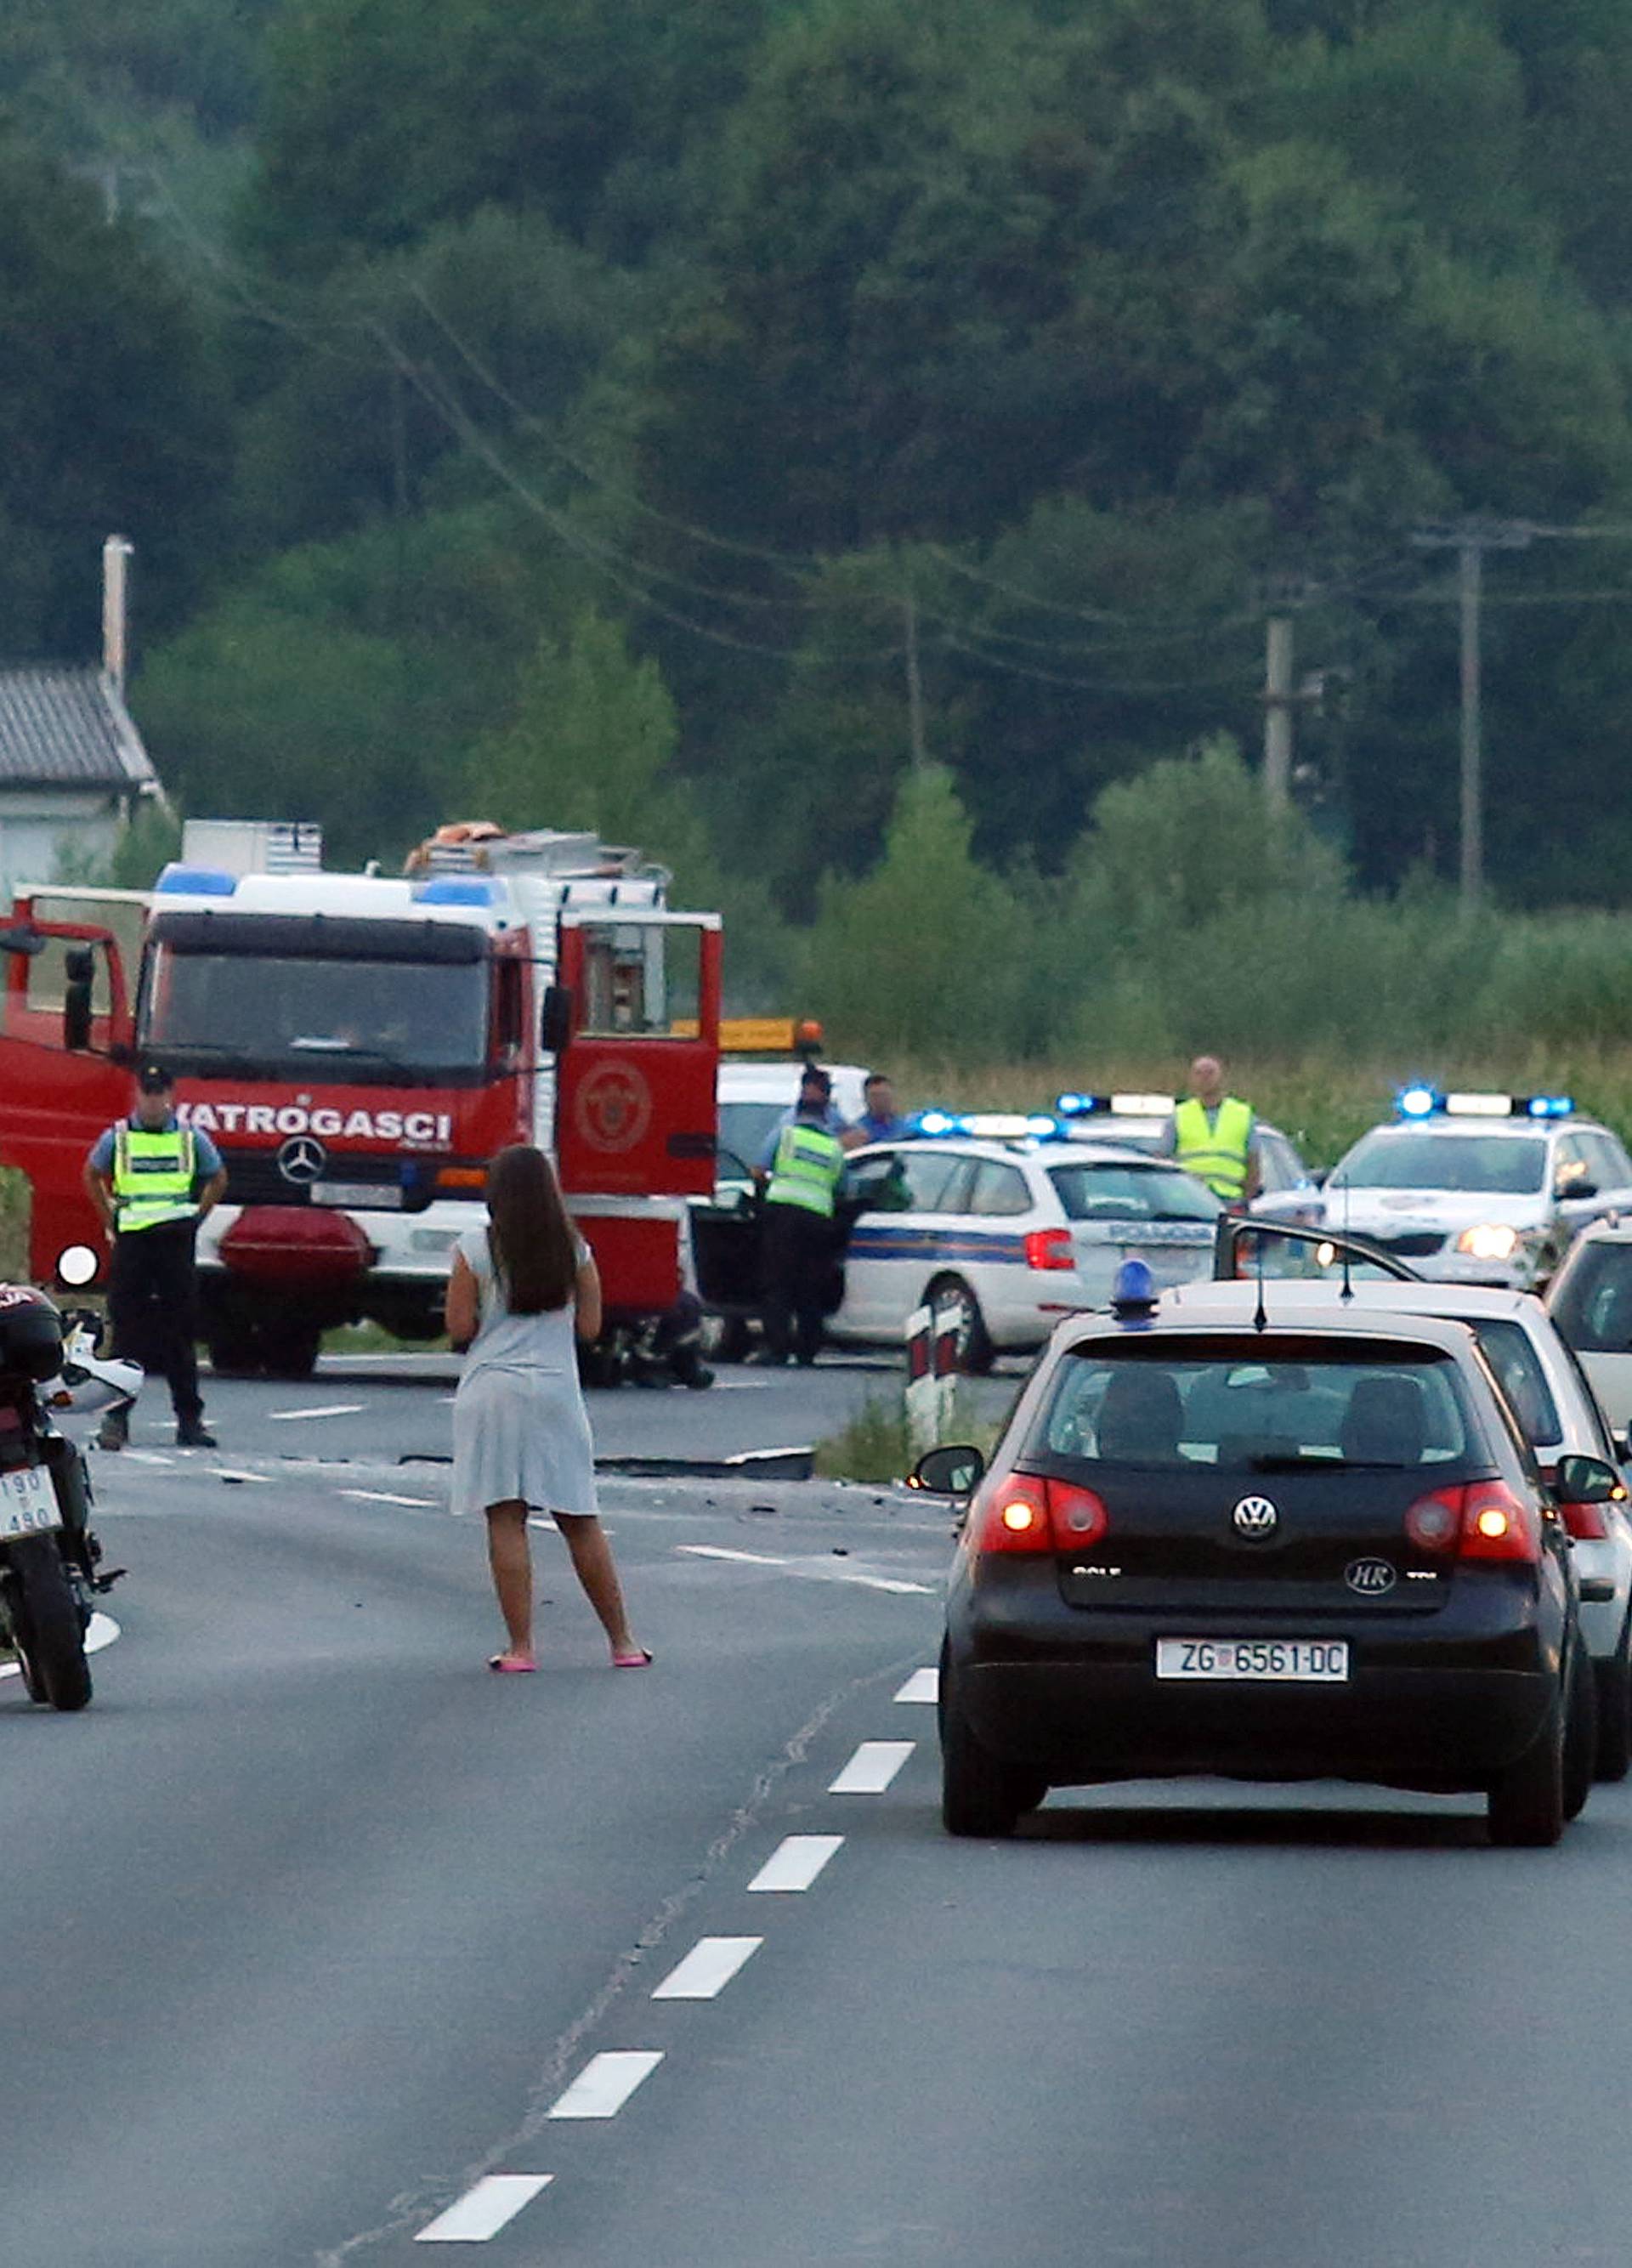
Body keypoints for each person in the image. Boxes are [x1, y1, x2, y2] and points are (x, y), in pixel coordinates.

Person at [445, 1144, 649, 1673]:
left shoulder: (473, 1249)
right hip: (556, 1389)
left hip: (491, 1391)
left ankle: (521, 1647)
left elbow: (460, 1329)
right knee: (579, 1516)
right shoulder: (575, 1251)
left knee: (506, 1517)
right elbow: (590, 1328)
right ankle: (622, 1642)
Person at [84, 1063, 227, 1449]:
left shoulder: (189, 1137)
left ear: (171, 1095)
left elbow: (218, 1176)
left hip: (175, 1240)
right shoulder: (117, 1137)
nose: (153, 1100)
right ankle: (115, 1421)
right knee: (126, 1332)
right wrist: (110, 1218)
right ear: (137, 1095)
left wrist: (197, 1216)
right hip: (134, 1241)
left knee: (180, 1331)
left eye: (159, 1092)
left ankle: (190, 1422)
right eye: (147, 1093)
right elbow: (92, 1173)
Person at [753, 1067, 847, 1366]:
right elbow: (843, 1187)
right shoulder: (834, 1147)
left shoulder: (786, 1135)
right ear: (826, 1114)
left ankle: (777, 1348)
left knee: (778, 1284)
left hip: (783, 1215)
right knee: (809, 1286)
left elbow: (758, 1170)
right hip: (819, 1219)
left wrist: (766, 1190)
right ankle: (808, 1351)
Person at [1160, 1055, 1261, 1205]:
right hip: (1187, 1199)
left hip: (1230, 1199)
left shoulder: (1242, 1113)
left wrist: (1245, 1199)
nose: (1204, 1078)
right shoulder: (1179, 1114)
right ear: (1191, 1079)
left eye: (1210, 1073)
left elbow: (1253, 1162)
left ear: (1221, 1078)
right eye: (1198, 1073)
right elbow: (1163, 1161)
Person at [843, 1071, 908, 1150]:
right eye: (875, 1096)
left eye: (884, 1094)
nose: (881, 1100)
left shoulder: (905, 1125)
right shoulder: (858, 1131)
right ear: (866, 1099)